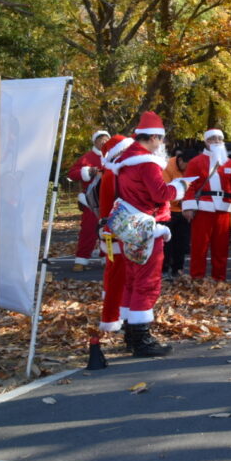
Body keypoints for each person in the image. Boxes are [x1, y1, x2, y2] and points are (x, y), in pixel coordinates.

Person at [110, 112, 191, 356]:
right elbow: (160, 194)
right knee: (147, 283)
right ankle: (141, 338)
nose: (162, 145)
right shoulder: (147, 162)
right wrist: (181, 187)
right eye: (161, 140)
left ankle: (131, 334)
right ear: (155, 137)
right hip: (148, 226)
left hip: (130, 226)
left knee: (132, 281)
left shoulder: (125, 161)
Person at [182, 129, 231, 282]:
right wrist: (188, 207)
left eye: (219, 139)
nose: (216, 141)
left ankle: (219, 279)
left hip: (223, 209)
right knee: (199, 246)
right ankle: (197, 279)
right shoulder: (196, 162)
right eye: (212, 139)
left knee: (221, 247)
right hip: (203, 209)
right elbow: (189, 185)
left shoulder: (229, 163)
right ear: (206, 142)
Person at [96, 134, 133, 336]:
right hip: (118, 232)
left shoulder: (113, 173)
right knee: (118, 278)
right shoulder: (113, 175)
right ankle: (111, 318)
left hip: (117, 232)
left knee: (117, 277)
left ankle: (118, 316)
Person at [67, 130, 110, 272]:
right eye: (100, 139)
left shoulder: (115, 157)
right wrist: (89, 171)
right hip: (90, 201)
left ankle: (107, 258)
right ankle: (81, 259)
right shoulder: (87, 157)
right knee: (88, 231)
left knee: (109, 232)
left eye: (106, 139)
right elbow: (72, 174)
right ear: (95, 142)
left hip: (109, 201)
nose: (104, 142)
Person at [162, 148, 196, 278]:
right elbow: (165, 190)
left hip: (184, 209)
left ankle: (178, 269)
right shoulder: (167, 166)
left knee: (182, 242)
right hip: (169, 210)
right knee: (167, 243)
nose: (189, 170)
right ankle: (164, 269)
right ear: (181, 160)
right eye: (187, 166)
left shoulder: (189, 168)